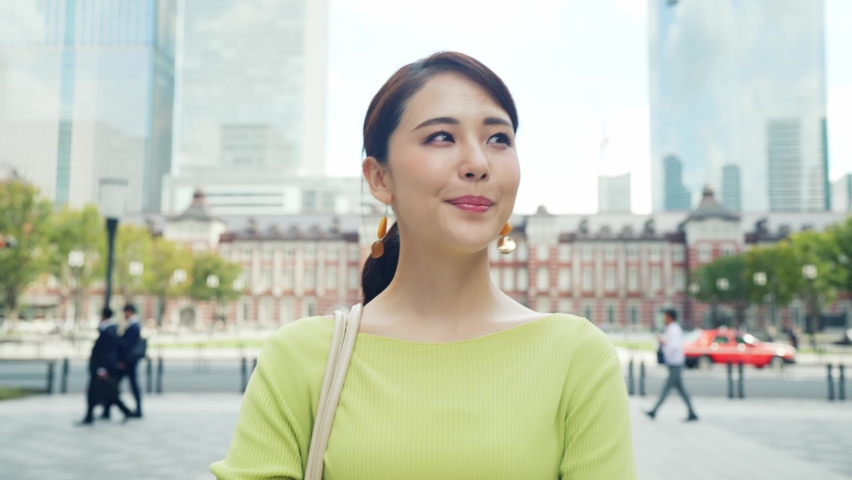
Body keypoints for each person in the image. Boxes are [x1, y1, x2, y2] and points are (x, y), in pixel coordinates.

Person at [211, 52, 637, 479]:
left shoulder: (576, 356)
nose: (478, 164)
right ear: (379, 178)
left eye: (498, 138)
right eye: (441, 137)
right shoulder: (301, 357)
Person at [77, 307, 133, 425]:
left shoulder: (108, 330)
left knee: (96, 392)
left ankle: (90, 417)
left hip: (103, 367)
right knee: (109, 392)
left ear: (103, 316)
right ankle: (123, 411)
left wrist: (102, 368)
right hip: (105, 366)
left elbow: (106, 351)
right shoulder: (111, 329)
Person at [646, 309, 698, 422]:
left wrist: (662, 342)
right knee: (682, 391)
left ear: (670, 317)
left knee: (666, 389)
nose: (663, 319)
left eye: (665, 317)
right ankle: (692, 413)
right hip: (674, 364)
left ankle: (654, 411)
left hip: (675, 364)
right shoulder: (671, 329)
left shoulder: (674, 330)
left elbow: (673, 347)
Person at [103, 304, 143, 419]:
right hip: (129, 362)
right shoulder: (133, 325)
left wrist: (122, 361)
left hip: (127, 362)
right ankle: (108, 410)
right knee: (117, 385)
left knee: (114, 385)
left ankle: (109, 410)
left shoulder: (134, 326)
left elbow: (127, 345)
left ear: (129, 312)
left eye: (125, 312)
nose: (124, 315)